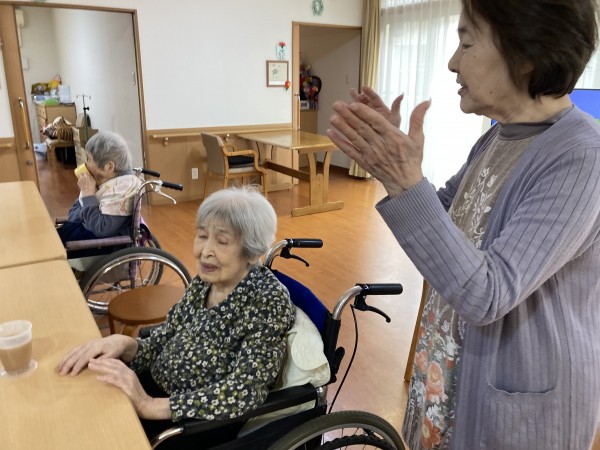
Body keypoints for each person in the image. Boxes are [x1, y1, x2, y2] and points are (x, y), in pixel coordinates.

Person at [327, 0, 600, 449]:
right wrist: (394, 171)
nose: (453, 62)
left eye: (467, 42)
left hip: (519, 407)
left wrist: (405, 180)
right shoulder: (497, 136)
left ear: (527, 53)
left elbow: (488, 293)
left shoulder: (581, 156)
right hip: (451, 372)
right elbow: (444, 216)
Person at [58, 186, 295, 447]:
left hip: (195, 422)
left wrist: (149, 405)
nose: (205, 251)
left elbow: (244, 392)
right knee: (80, 404)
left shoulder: (267, 301)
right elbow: (166, 336)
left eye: (222, 241)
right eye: (202, 236)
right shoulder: (205, 282)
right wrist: (126, 345)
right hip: (155, 387)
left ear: (251, 252)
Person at [57, 130, 142, 244]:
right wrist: (87, 204)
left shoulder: (122, 188)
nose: (85, 164)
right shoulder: (101, 182)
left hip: (102, 244)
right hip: (84, 230)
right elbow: (72, 214)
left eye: (89, 159)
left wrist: (88, 196)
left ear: (109, 166)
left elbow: (100, 228)